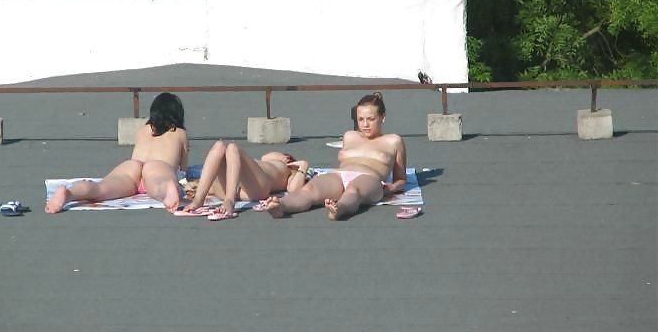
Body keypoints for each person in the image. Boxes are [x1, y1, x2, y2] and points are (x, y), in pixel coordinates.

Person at [262, 92, 406, 220]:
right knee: (309, 189)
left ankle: (339, 209)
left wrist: (392, 188)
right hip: (339, 174)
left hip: (369, 178)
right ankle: (281, 206)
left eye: (371, 119)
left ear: (383, 117)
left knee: (353, 191)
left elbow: (401, 179)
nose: (365, 124)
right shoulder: (350, 136)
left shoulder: (394, 141)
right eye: (361, 119)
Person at [45, 92, 189, 214]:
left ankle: (70, 193)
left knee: (100, 188)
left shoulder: (142, 130)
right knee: (159, 186)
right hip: (158, 167)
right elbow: (182, 167)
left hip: (132, 166)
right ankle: (167, 189)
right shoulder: (180, 133)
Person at [178, 141, 311, 220]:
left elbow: (293, 189)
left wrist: (303, 165)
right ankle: (198, 201)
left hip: (256, 188)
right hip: (234, 185)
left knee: (232, 148)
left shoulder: (289, 171)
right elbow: (265, 156)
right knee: (219, 145)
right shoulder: (264, 161)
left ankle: (229, 202)